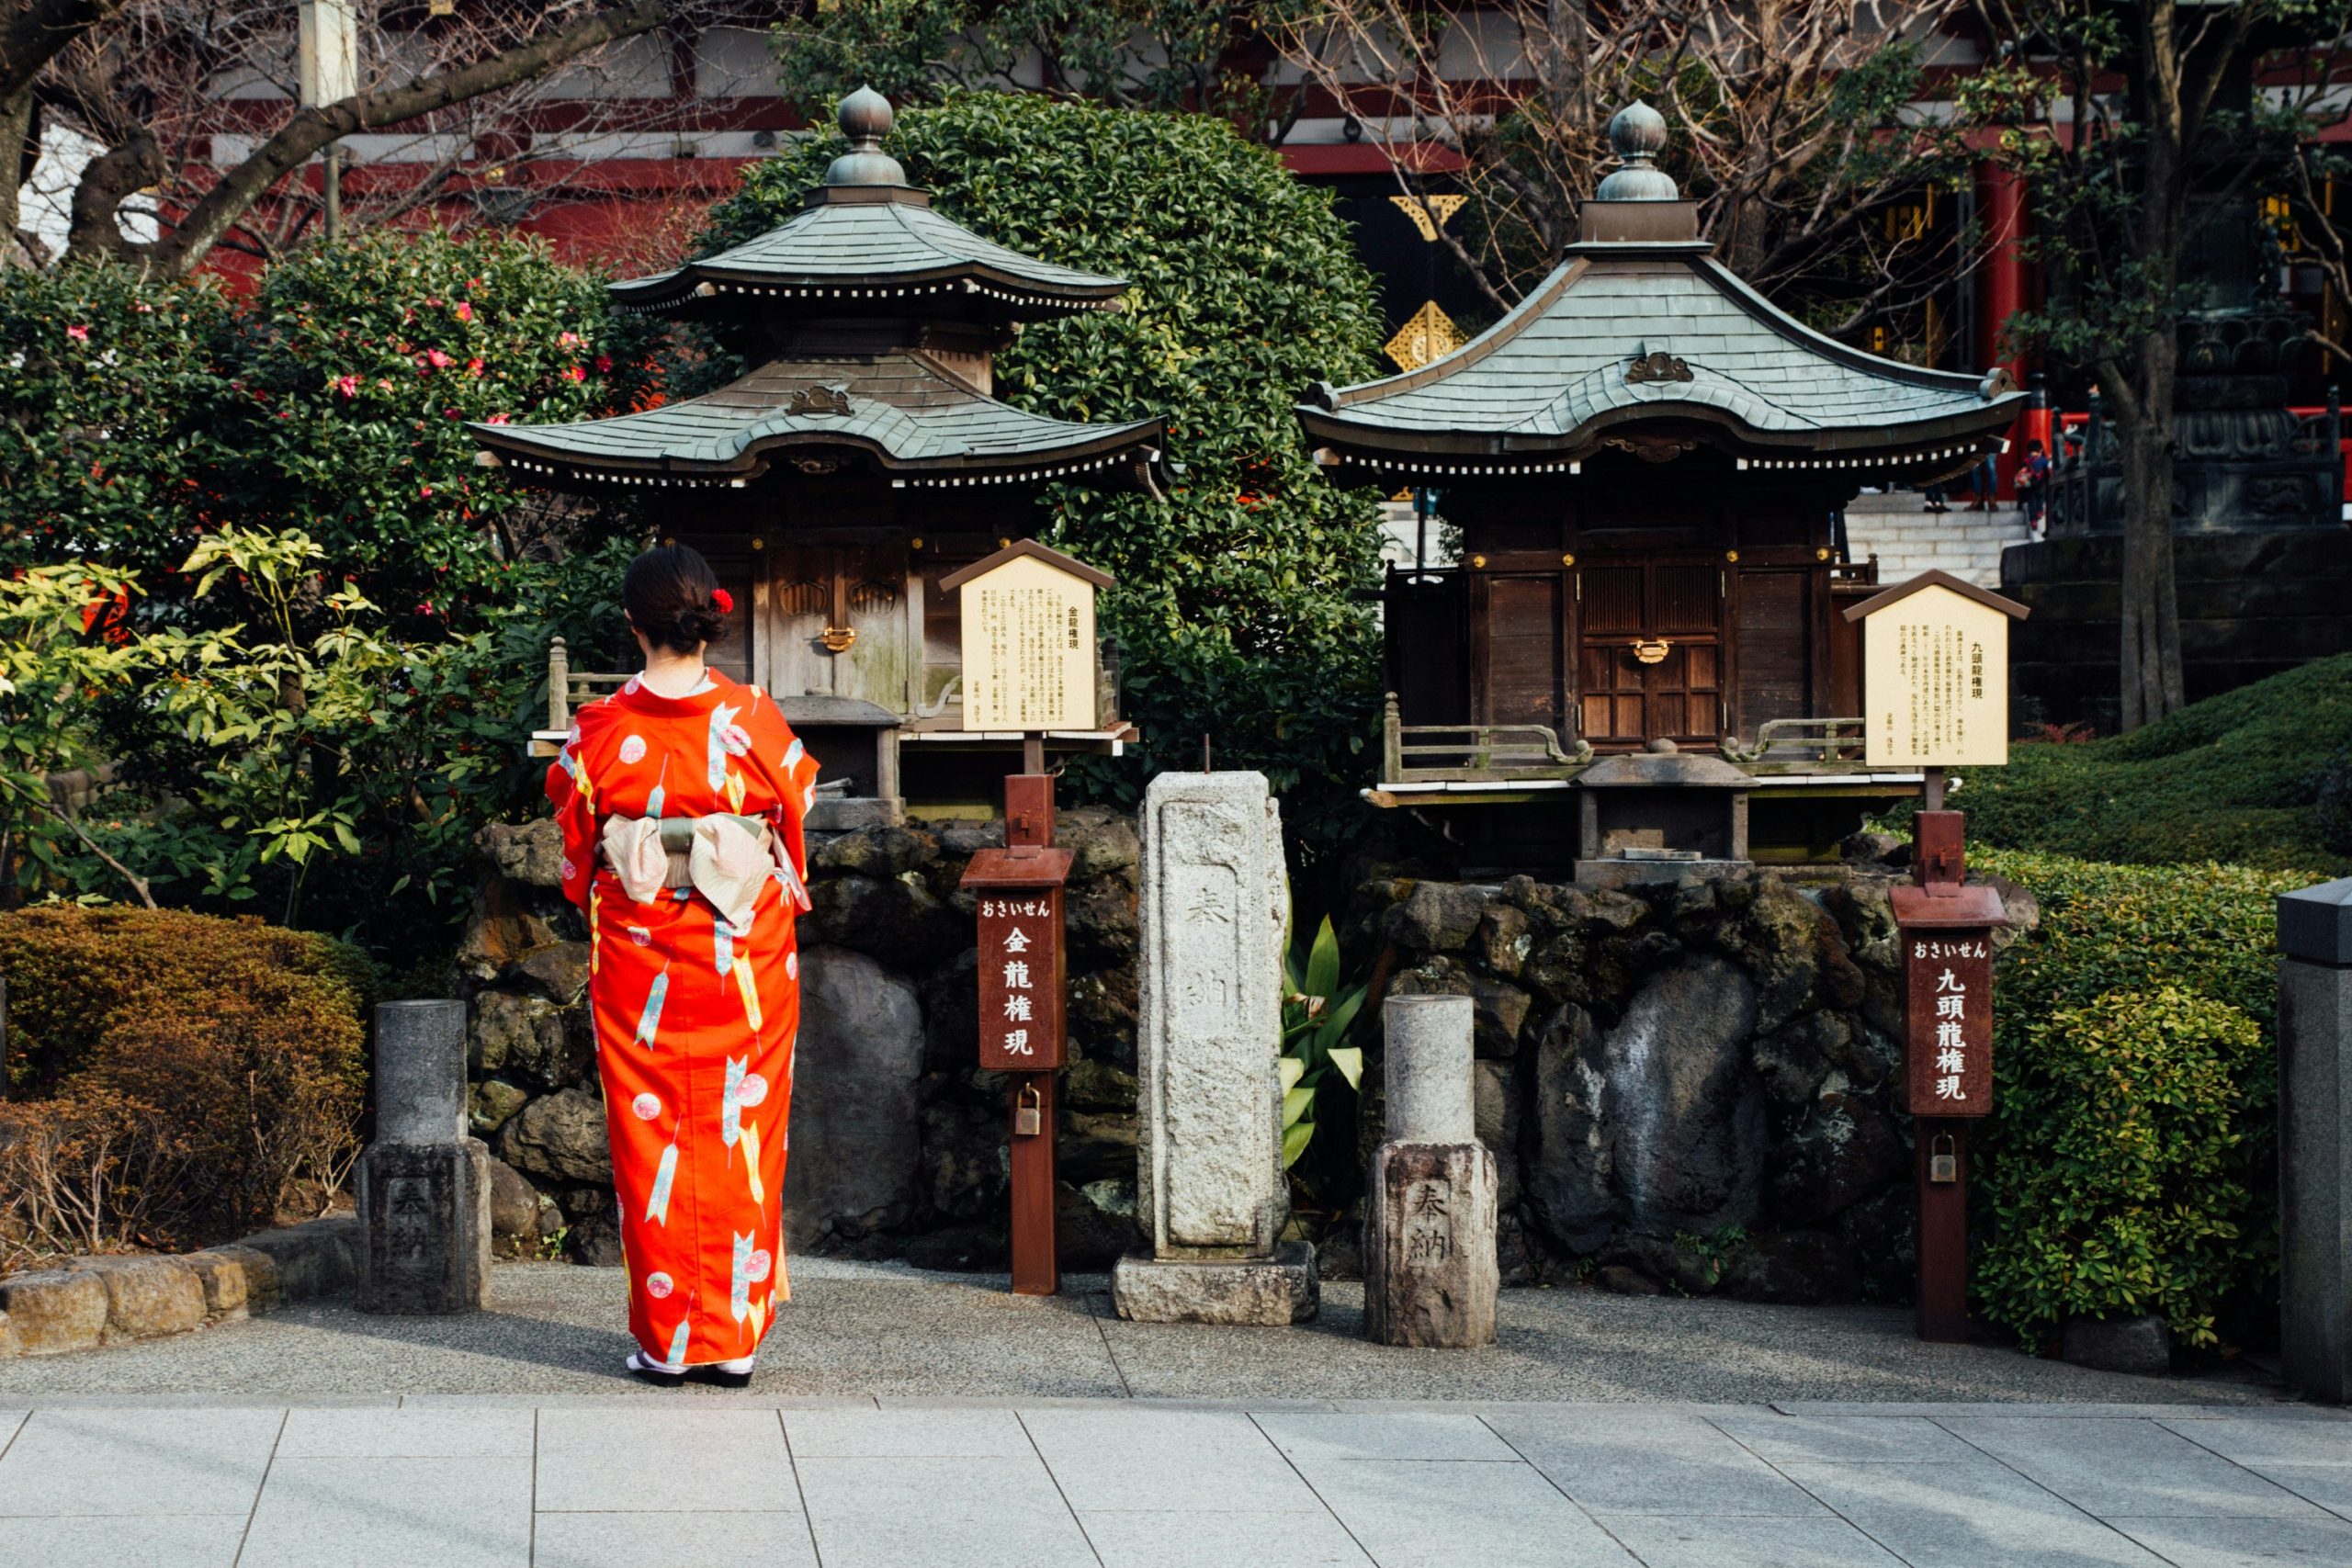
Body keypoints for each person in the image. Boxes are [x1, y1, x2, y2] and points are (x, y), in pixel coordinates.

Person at [545, 545, 822, 1388]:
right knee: (743, 1130)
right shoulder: (755, 718)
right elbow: (797, 811)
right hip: (743, 949)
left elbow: (576, 844)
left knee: (651, 1129)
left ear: (633, 624)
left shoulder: (598, 728)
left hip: (639, 950)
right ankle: (734, 1334)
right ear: (709, 620)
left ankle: (668, 1338)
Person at [2016, 438, 2051, 536]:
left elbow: (2021, 473)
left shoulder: (2025, 460)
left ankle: (2033, 521)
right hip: (2040, 484)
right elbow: (2048, 472)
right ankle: (2040, 512)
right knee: (2041, 498)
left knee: (2032, 502)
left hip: (2029, 486)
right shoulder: (2044, 460)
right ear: (2040, 449)